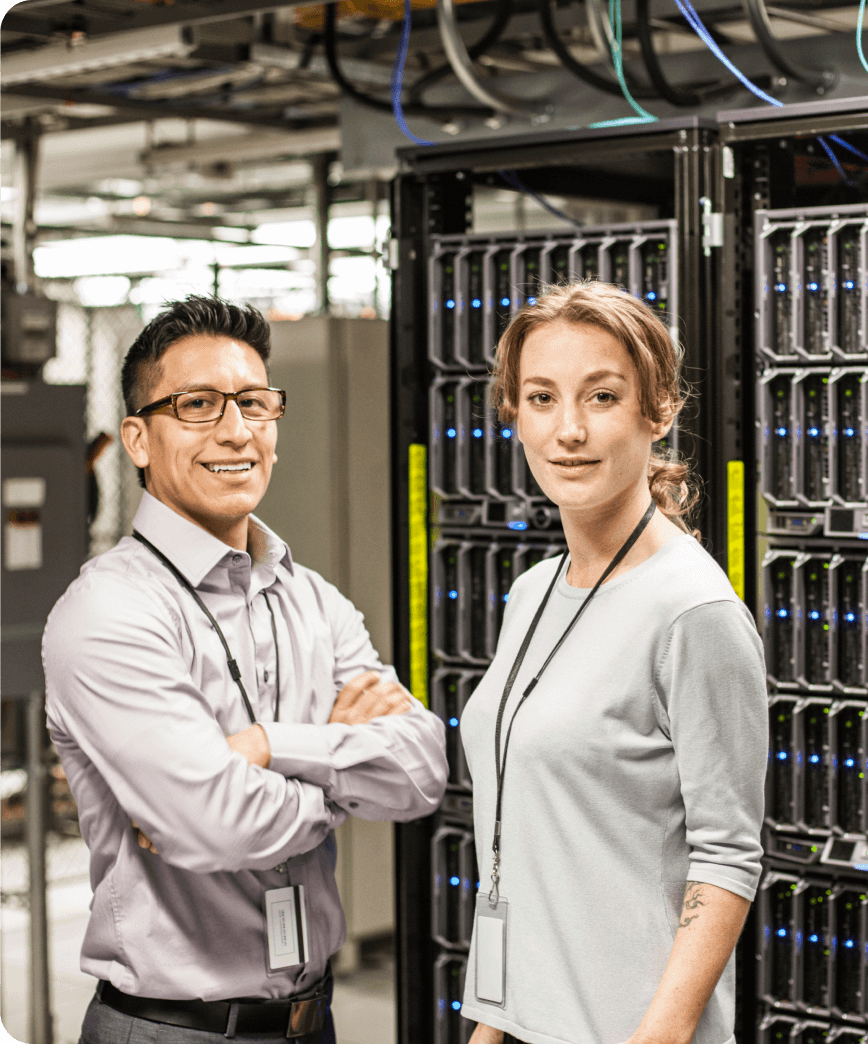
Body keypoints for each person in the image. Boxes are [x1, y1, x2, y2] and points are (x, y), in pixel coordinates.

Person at [42, 296, 448, 1044]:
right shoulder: (108, 613)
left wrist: (266, 750)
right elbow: (215, 827)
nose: (236, 430)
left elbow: (423, 770)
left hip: (311, 1022)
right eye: (197, 404)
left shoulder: (312, 599)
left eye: (256, 403)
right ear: (137, 438)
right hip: (172, 1030)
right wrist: (343, 782)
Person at [459, 282, 768, 1044]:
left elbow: (726, 856)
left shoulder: (693, 611)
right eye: (540, 398)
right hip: (522, 1022)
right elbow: (526, 833)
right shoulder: (532, 593)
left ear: (657, 411)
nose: (567, 430)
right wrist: (490, 1022)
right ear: (513, 415)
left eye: (600, 396)